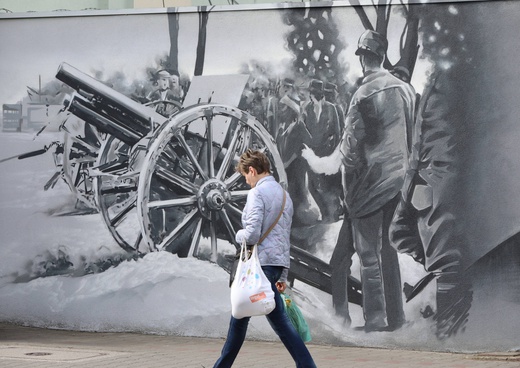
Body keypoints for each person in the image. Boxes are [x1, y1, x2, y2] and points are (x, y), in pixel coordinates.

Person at [301, 30, 416, 332]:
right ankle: (398, 318)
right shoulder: (404, 89)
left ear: (364, 58)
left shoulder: (362, 95)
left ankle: (375, 320)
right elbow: (412, 137)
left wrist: (319, 164)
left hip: (368, 188)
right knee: (387, 252)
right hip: (398, 182)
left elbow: (349, 152)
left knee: (367, 256)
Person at [214, 149, 316, 368]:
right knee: (273, 323)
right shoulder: (284, 196)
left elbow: (251, 234)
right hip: (276, 265)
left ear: (252, 170)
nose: (247, 181)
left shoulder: (257, 194)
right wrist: (284, 274)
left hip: (260, 266)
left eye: (245, 176)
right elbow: (285, 238)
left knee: (242, 316)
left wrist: (237, 234)